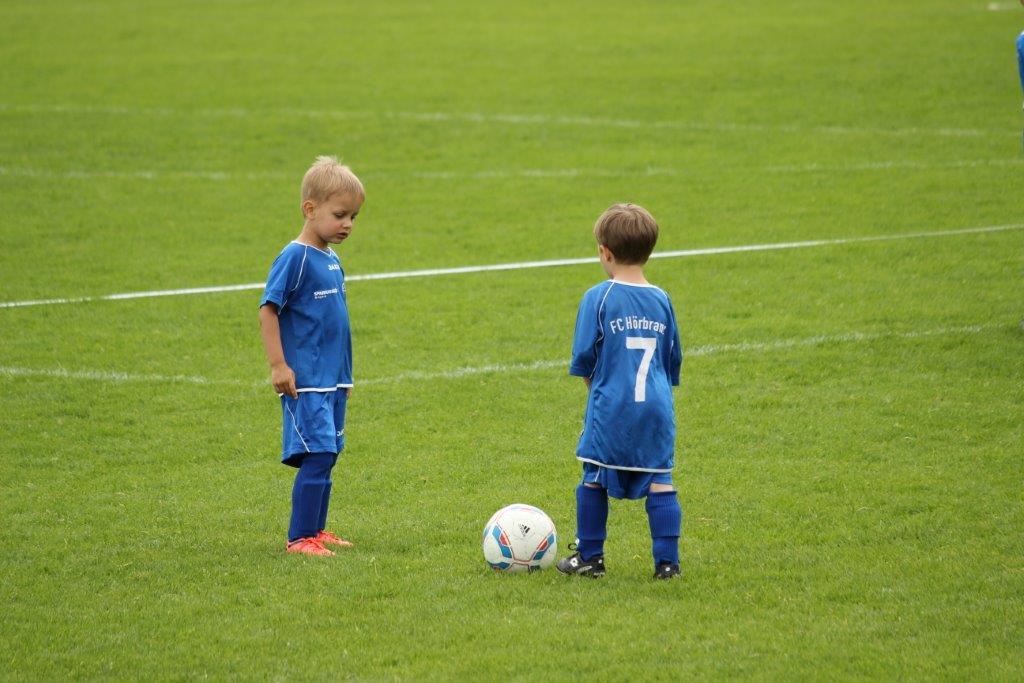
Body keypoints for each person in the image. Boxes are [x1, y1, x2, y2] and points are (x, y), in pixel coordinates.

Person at [557, 203, 684, 580]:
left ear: (605, 252)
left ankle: (590, 557)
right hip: (657, 408)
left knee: (594, 475)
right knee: (660, 479)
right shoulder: (662, 298)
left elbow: (584, 357)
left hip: (612, 406)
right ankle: (667, 565)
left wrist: (598, 391)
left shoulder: (599, 297)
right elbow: (672, 357)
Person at [259, 156, 364, 557]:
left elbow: (335, 323)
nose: (347, 224)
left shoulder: (331, 258)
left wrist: (344, 377)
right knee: (318, 454)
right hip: (306, 381)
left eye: (353, 217)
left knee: (329, 455)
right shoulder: (295, 257)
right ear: (310, 208)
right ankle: (299, 538)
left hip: (332, 380)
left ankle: (316, 531)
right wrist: (278, 365)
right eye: (340, 215)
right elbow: (269, 309)